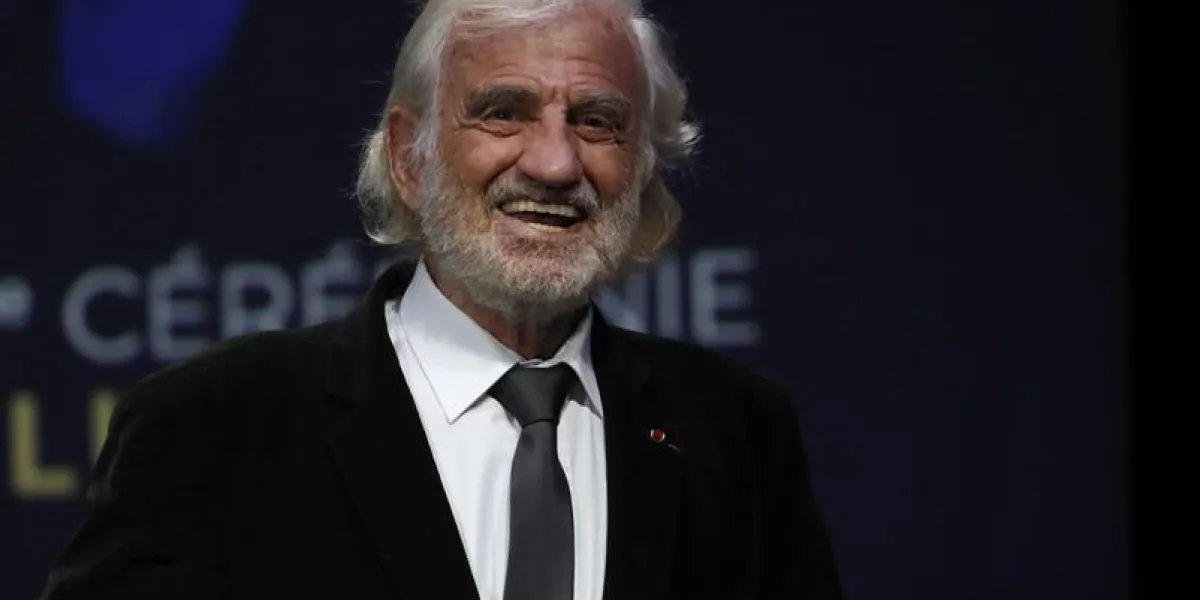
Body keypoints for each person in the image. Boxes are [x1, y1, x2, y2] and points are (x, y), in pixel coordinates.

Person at [39, 0, 842, 598]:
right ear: (409, 157)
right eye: (504, 112)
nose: (556, 164)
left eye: (599, 122)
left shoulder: (736, 434)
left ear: (642, 168)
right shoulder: (211, 429)